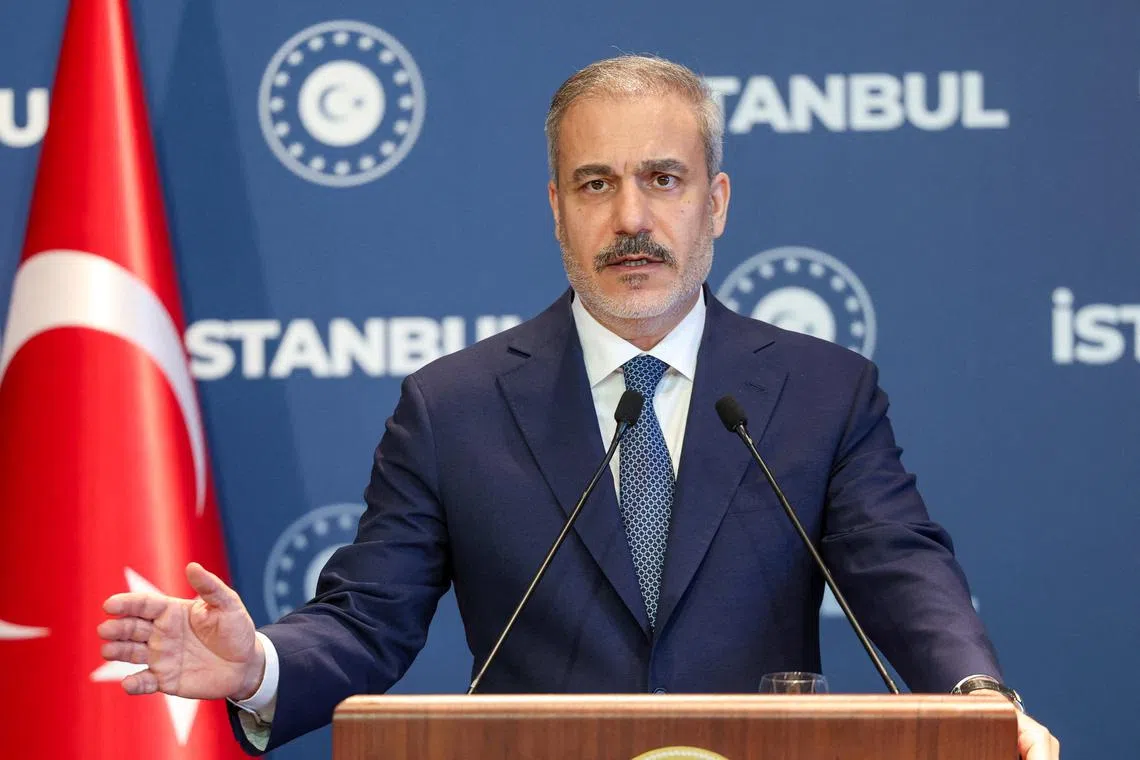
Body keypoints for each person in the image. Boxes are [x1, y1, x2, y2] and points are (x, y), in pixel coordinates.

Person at [98, 55, 1060, 758]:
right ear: (555, 206)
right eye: (596, 184)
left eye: (663, 180)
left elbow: (902, 572)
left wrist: (977, 699)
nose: (632, 219)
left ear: (715, 202)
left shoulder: (820, 393)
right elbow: (367, 622)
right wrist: (258, 664)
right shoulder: (453, 409)